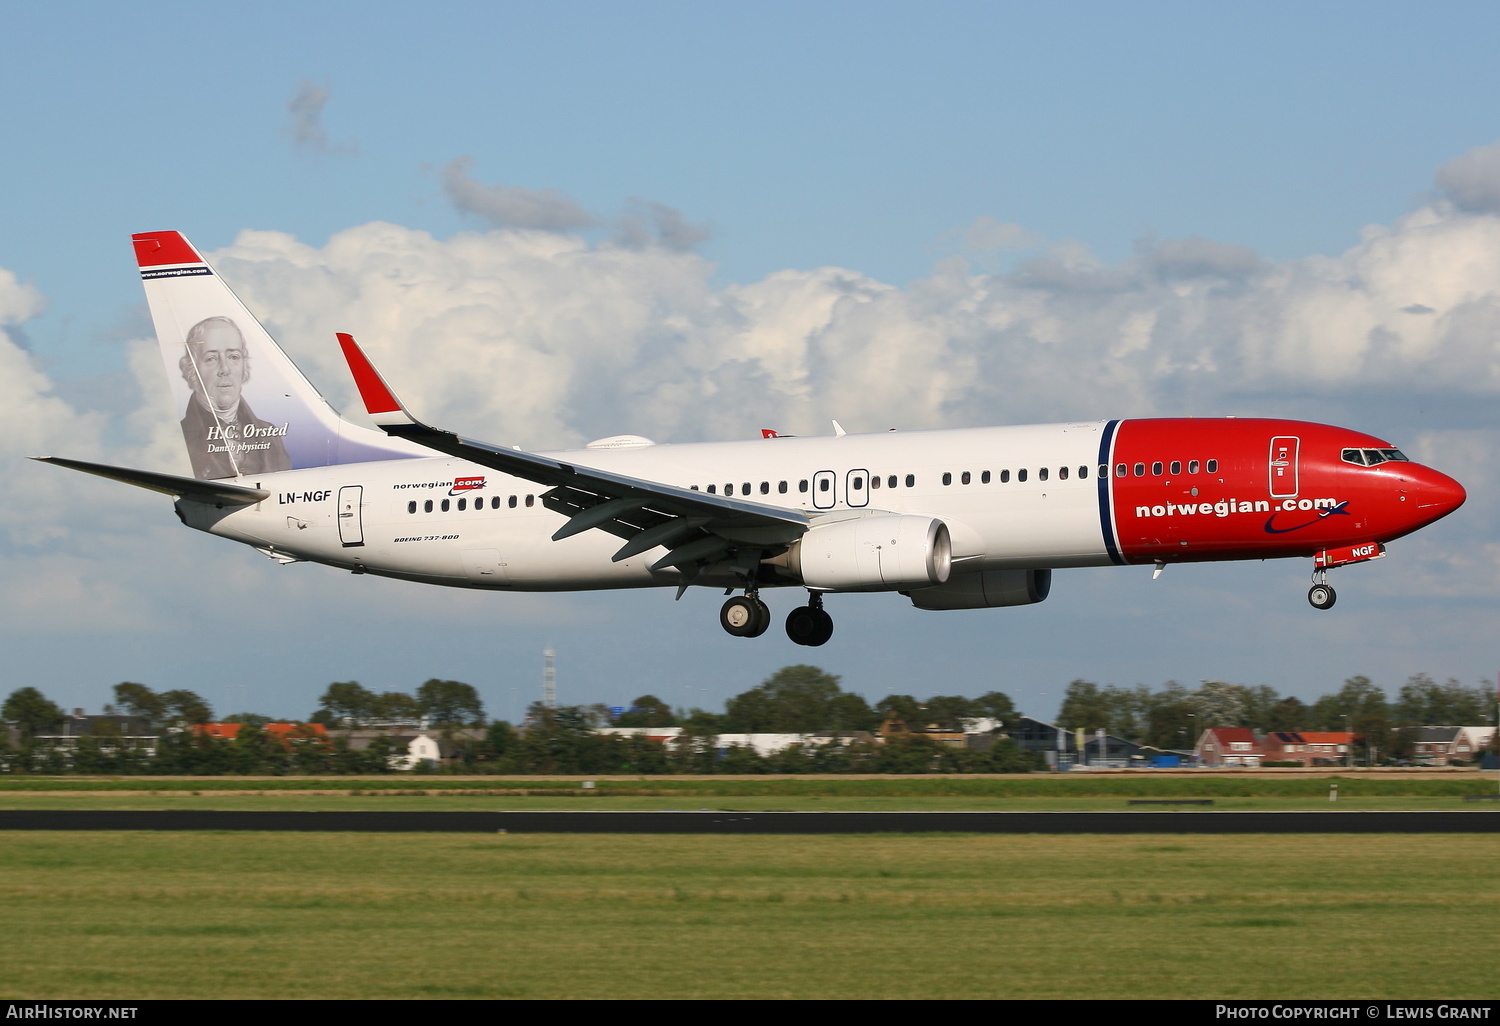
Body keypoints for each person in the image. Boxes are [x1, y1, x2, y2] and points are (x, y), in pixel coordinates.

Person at [179, 316, 292, 479]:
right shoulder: (183, 437)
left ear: (244, 365)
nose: (225, 369)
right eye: (211, 359)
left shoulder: (271, 435)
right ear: (192, 369)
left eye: (233, 357)